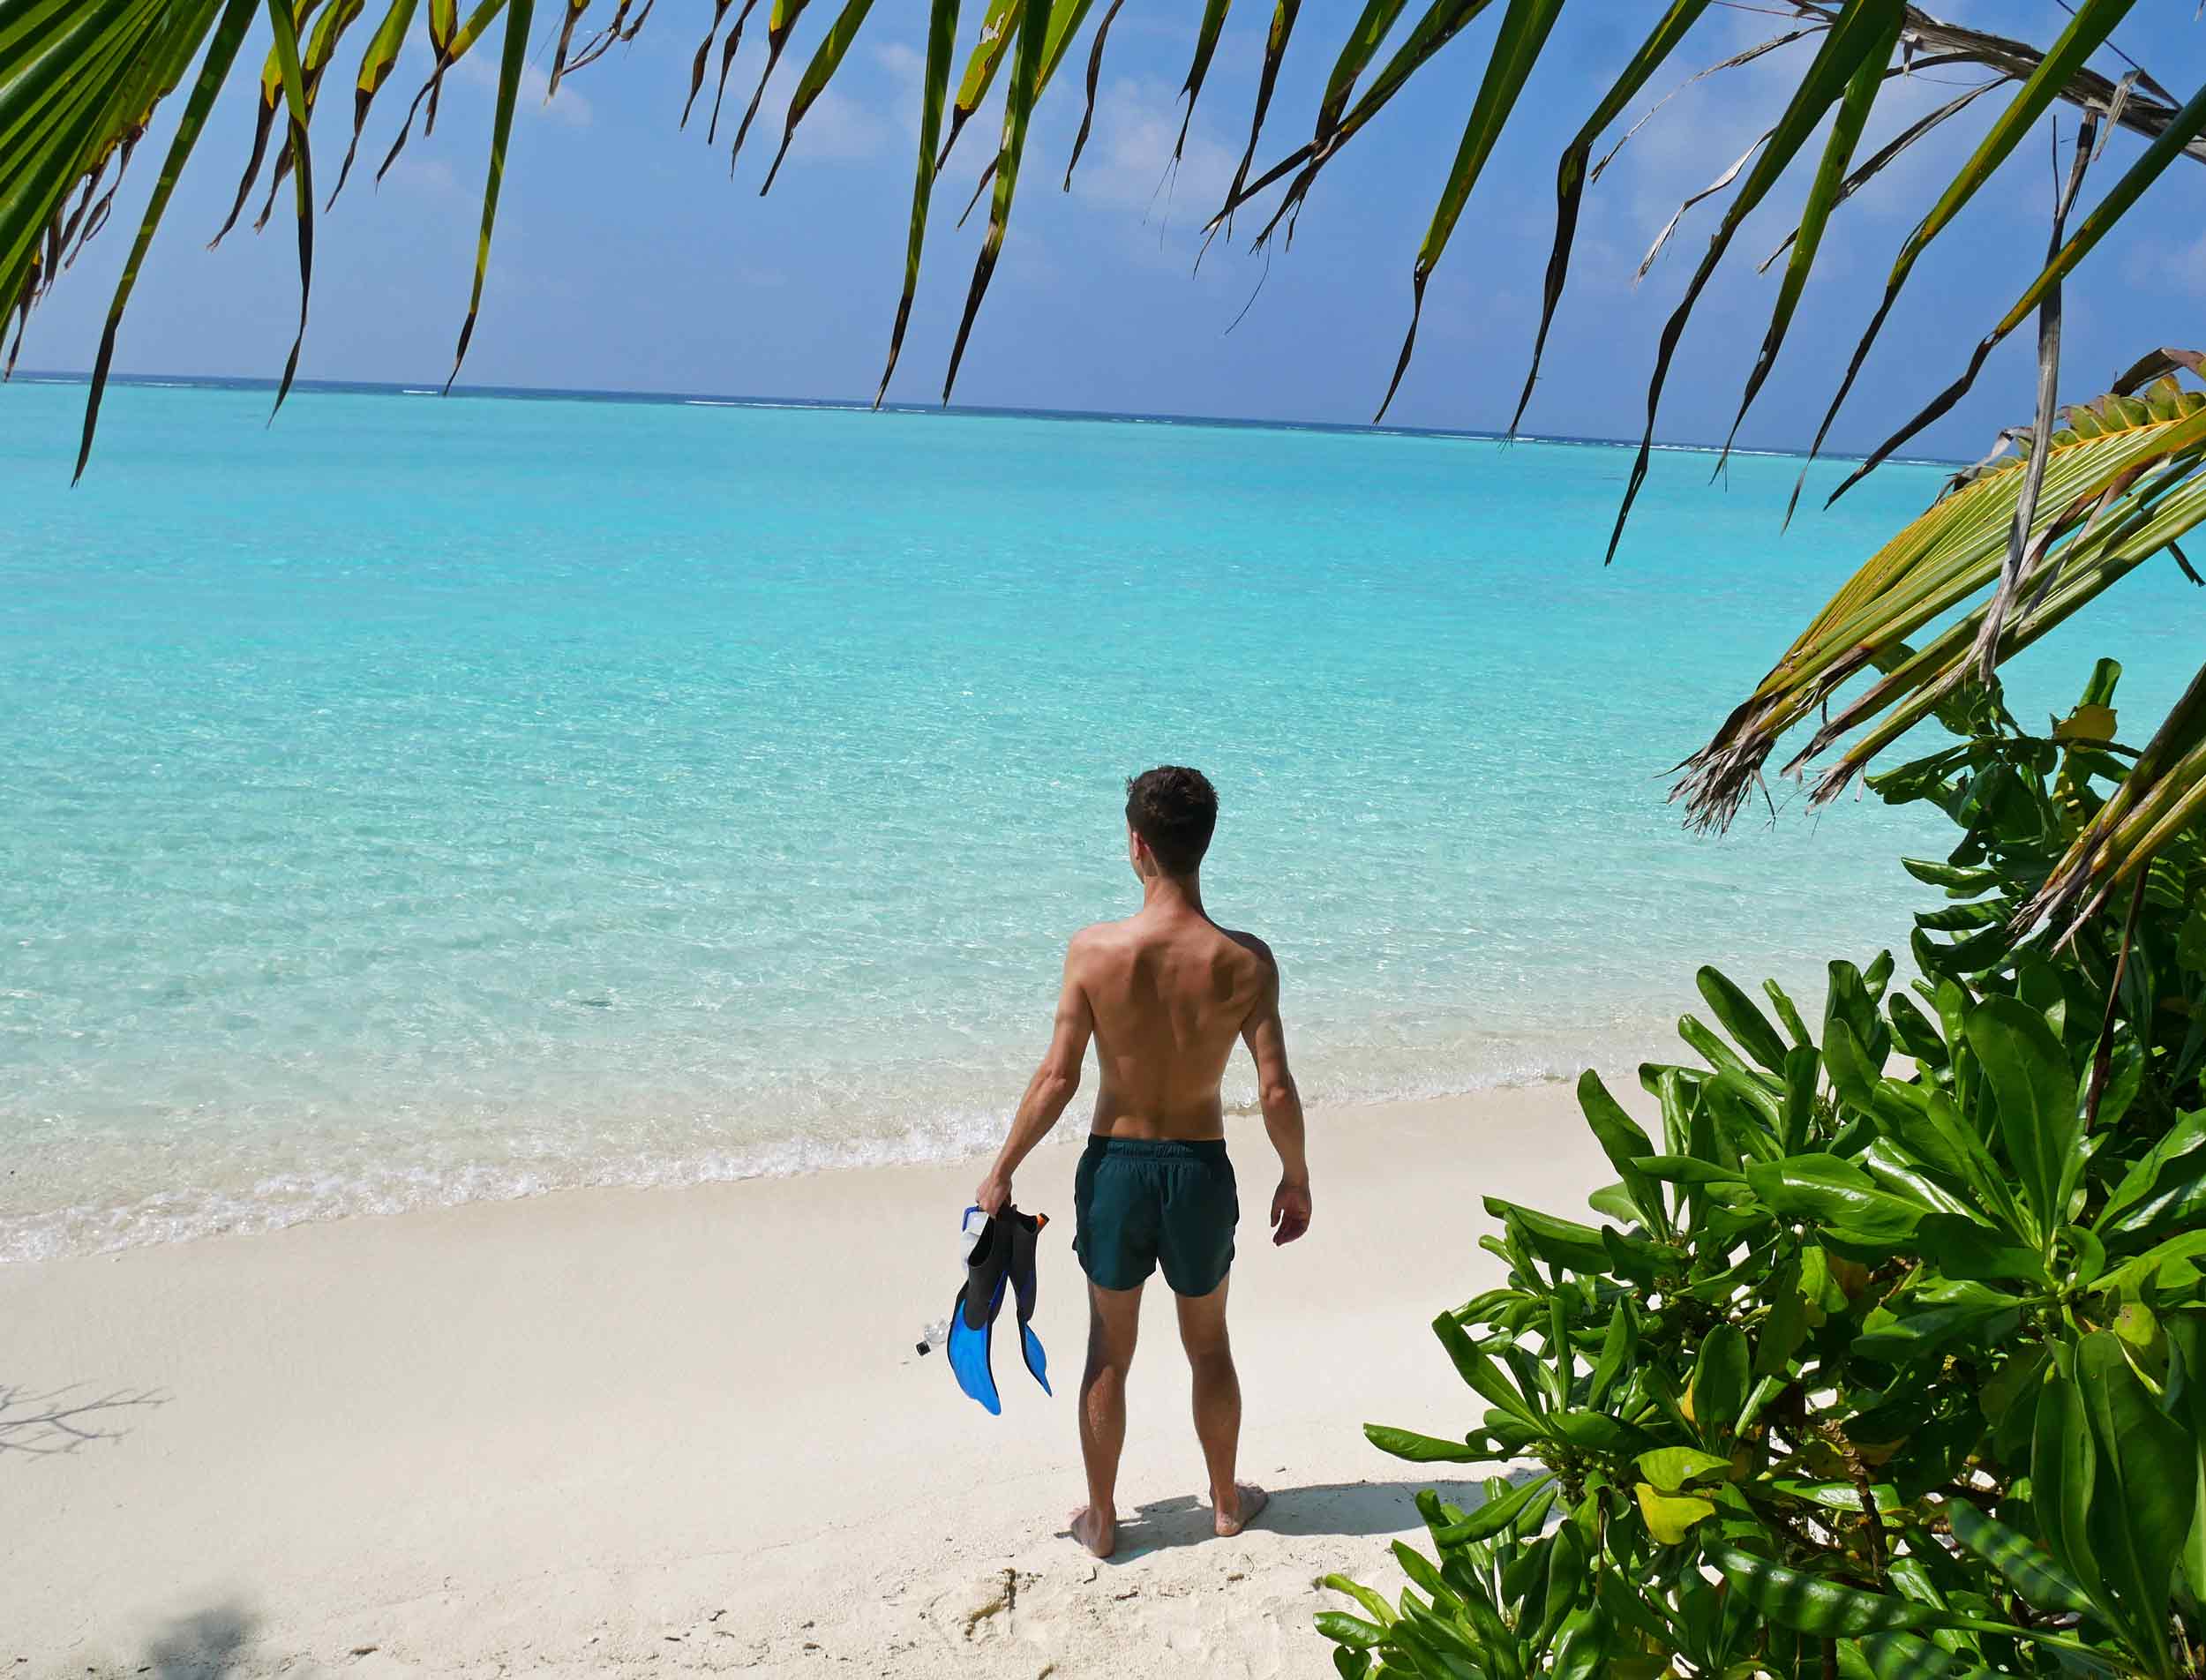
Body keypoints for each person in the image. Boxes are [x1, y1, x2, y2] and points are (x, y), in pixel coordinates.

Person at [973, 765, 1310, 1560]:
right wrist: (1294, 1176)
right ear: (1204, 845)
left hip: (1117, 1171)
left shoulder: (1094, 953)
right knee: (1209, 1345)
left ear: (1137, 845)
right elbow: (1273, 1088)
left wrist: (1003, 1169)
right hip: (1199, 1170)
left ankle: (1103, 1519)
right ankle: (1226, 1503)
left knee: (1107, 1350)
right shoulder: (1247, 961)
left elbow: (1059, 1077)